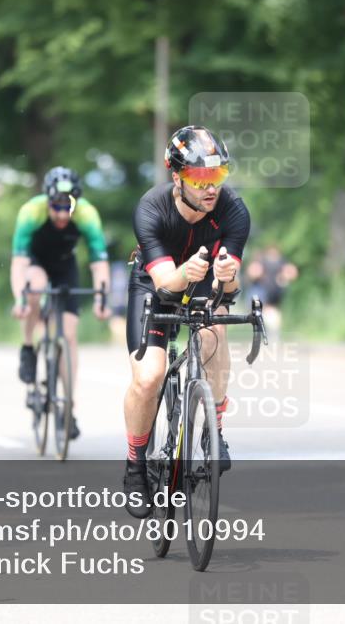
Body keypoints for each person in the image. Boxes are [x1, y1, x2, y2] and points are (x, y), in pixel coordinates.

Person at [121, 125, 250, 519]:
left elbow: (233, 284)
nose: (211, 188)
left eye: (218, 177)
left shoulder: (234, 211)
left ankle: (216, 429)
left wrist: (228, 276)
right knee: (148, 378)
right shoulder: (150, 208)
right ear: (177, 178)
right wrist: (186, 272)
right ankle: (135, 464)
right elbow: (165, 283)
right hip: (156, 283)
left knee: (215, 332)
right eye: (199, 178)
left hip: (204, 278)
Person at [10, 166, 111, 440]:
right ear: (48, 200)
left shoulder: (87, 215)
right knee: (36, 286)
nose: (62, 213)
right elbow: (18, 264)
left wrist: (102, 299)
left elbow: (98, 262)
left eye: (68, 206)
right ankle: (28, 347)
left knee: (68, 335)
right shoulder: (32, 212)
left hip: (65, 267)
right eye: (56, 205)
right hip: (36, 264)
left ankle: (68, 407)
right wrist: (20, 299)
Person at [245, 245, 298, 334]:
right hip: (261, 295)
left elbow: (292, 272)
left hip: (272, 298)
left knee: (273, 320)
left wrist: (284, 277)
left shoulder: (282, 263)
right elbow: (252, 272)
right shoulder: (262, 261)